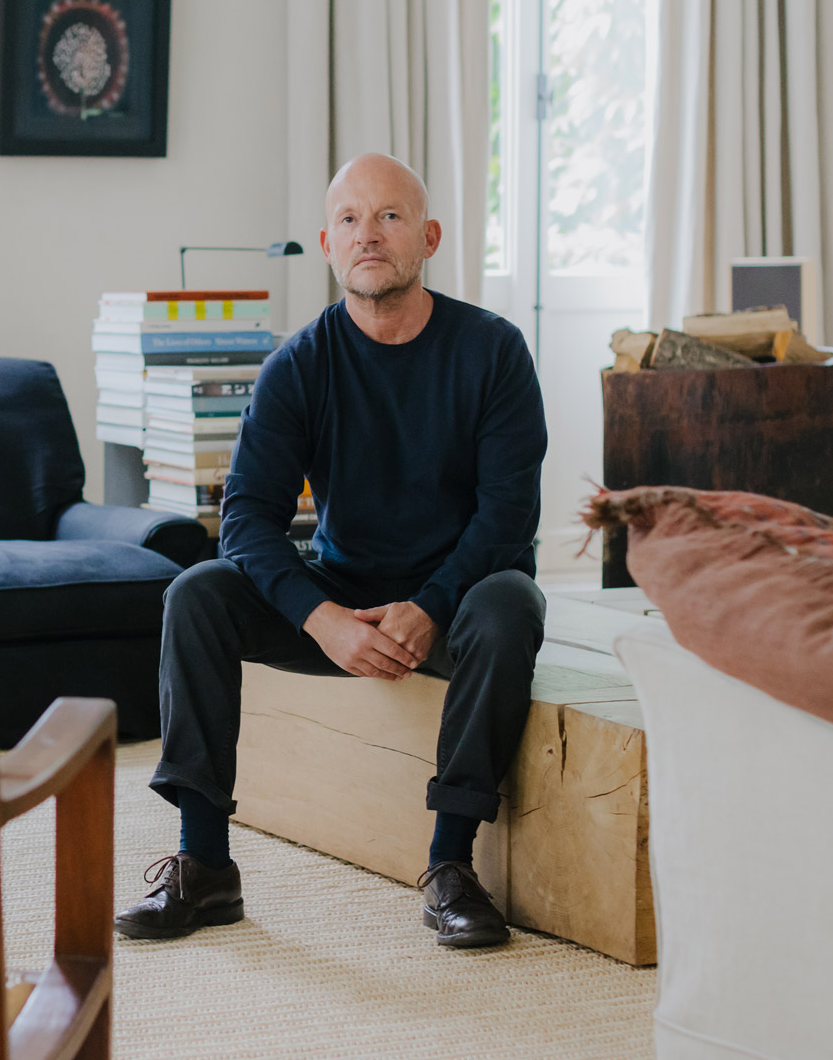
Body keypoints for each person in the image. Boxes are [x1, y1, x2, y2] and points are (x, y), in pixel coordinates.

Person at [114, 152, 548, 949]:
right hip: (342, 595)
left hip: (457, 603)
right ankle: (204, 865)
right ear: (325, 242)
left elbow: (508, 516)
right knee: (198, 594)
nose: (368, 235)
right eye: (350, 219)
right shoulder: (297, 366)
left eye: (389, 216)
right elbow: (246, 518)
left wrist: (431, 606)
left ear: (429, 237)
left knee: (511, 599)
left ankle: (450, 867)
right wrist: (321, 618)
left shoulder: (493, 352)